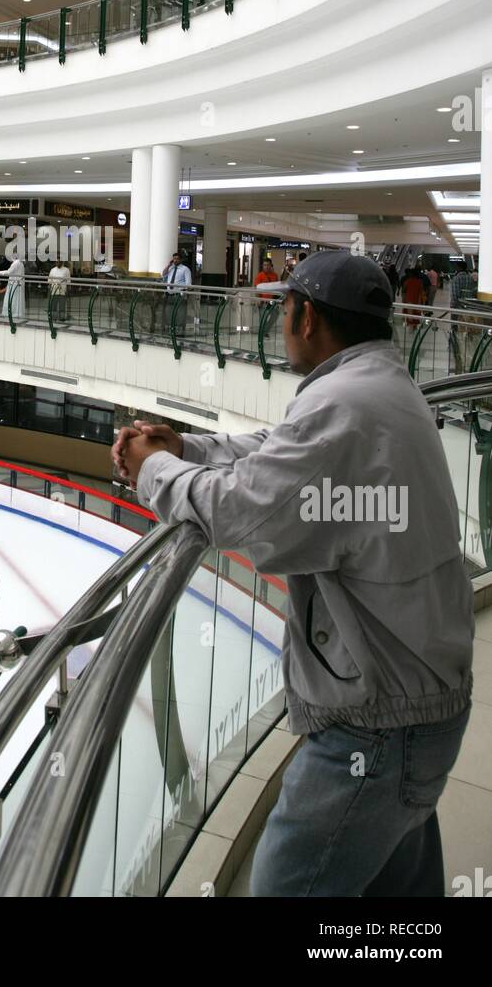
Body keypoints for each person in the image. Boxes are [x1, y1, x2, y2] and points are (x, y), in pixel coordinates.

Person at [113, 251, 473, 898]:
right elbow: (276, 454)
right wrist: (185, 448)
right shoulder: (373, 387)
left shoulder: (348, 405)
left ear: (306, 318)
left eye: (284, 308)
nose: (279, 321)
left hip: (378, 727)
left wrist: (150, 469)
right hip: (412, 708)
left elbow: (243, 514)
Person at [162, 251, 191, 335]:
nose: (175, 260)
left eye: (177, 259)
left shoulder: (185, 269)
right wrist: (168, 265)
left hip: (179, 295)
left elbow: (188, 283)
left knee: (180, 313)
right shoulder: (170, 268)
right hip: (169, 295)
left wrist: (184, 293)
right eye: (174, 259)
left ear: (181, 260)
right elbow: (163, 275)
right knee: (169, 312)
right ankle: (170, 329)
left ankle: (180, 331)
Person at [1, 255, 26, 321]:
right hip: (18, 284)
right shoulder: (21, 263)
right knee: (17, 299)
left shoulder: (15, 263)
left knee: (11, 298)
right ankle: (17, 313)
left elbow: (9, 272)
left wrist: (0, 272)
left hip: (13, 284)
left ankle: (11, 313)